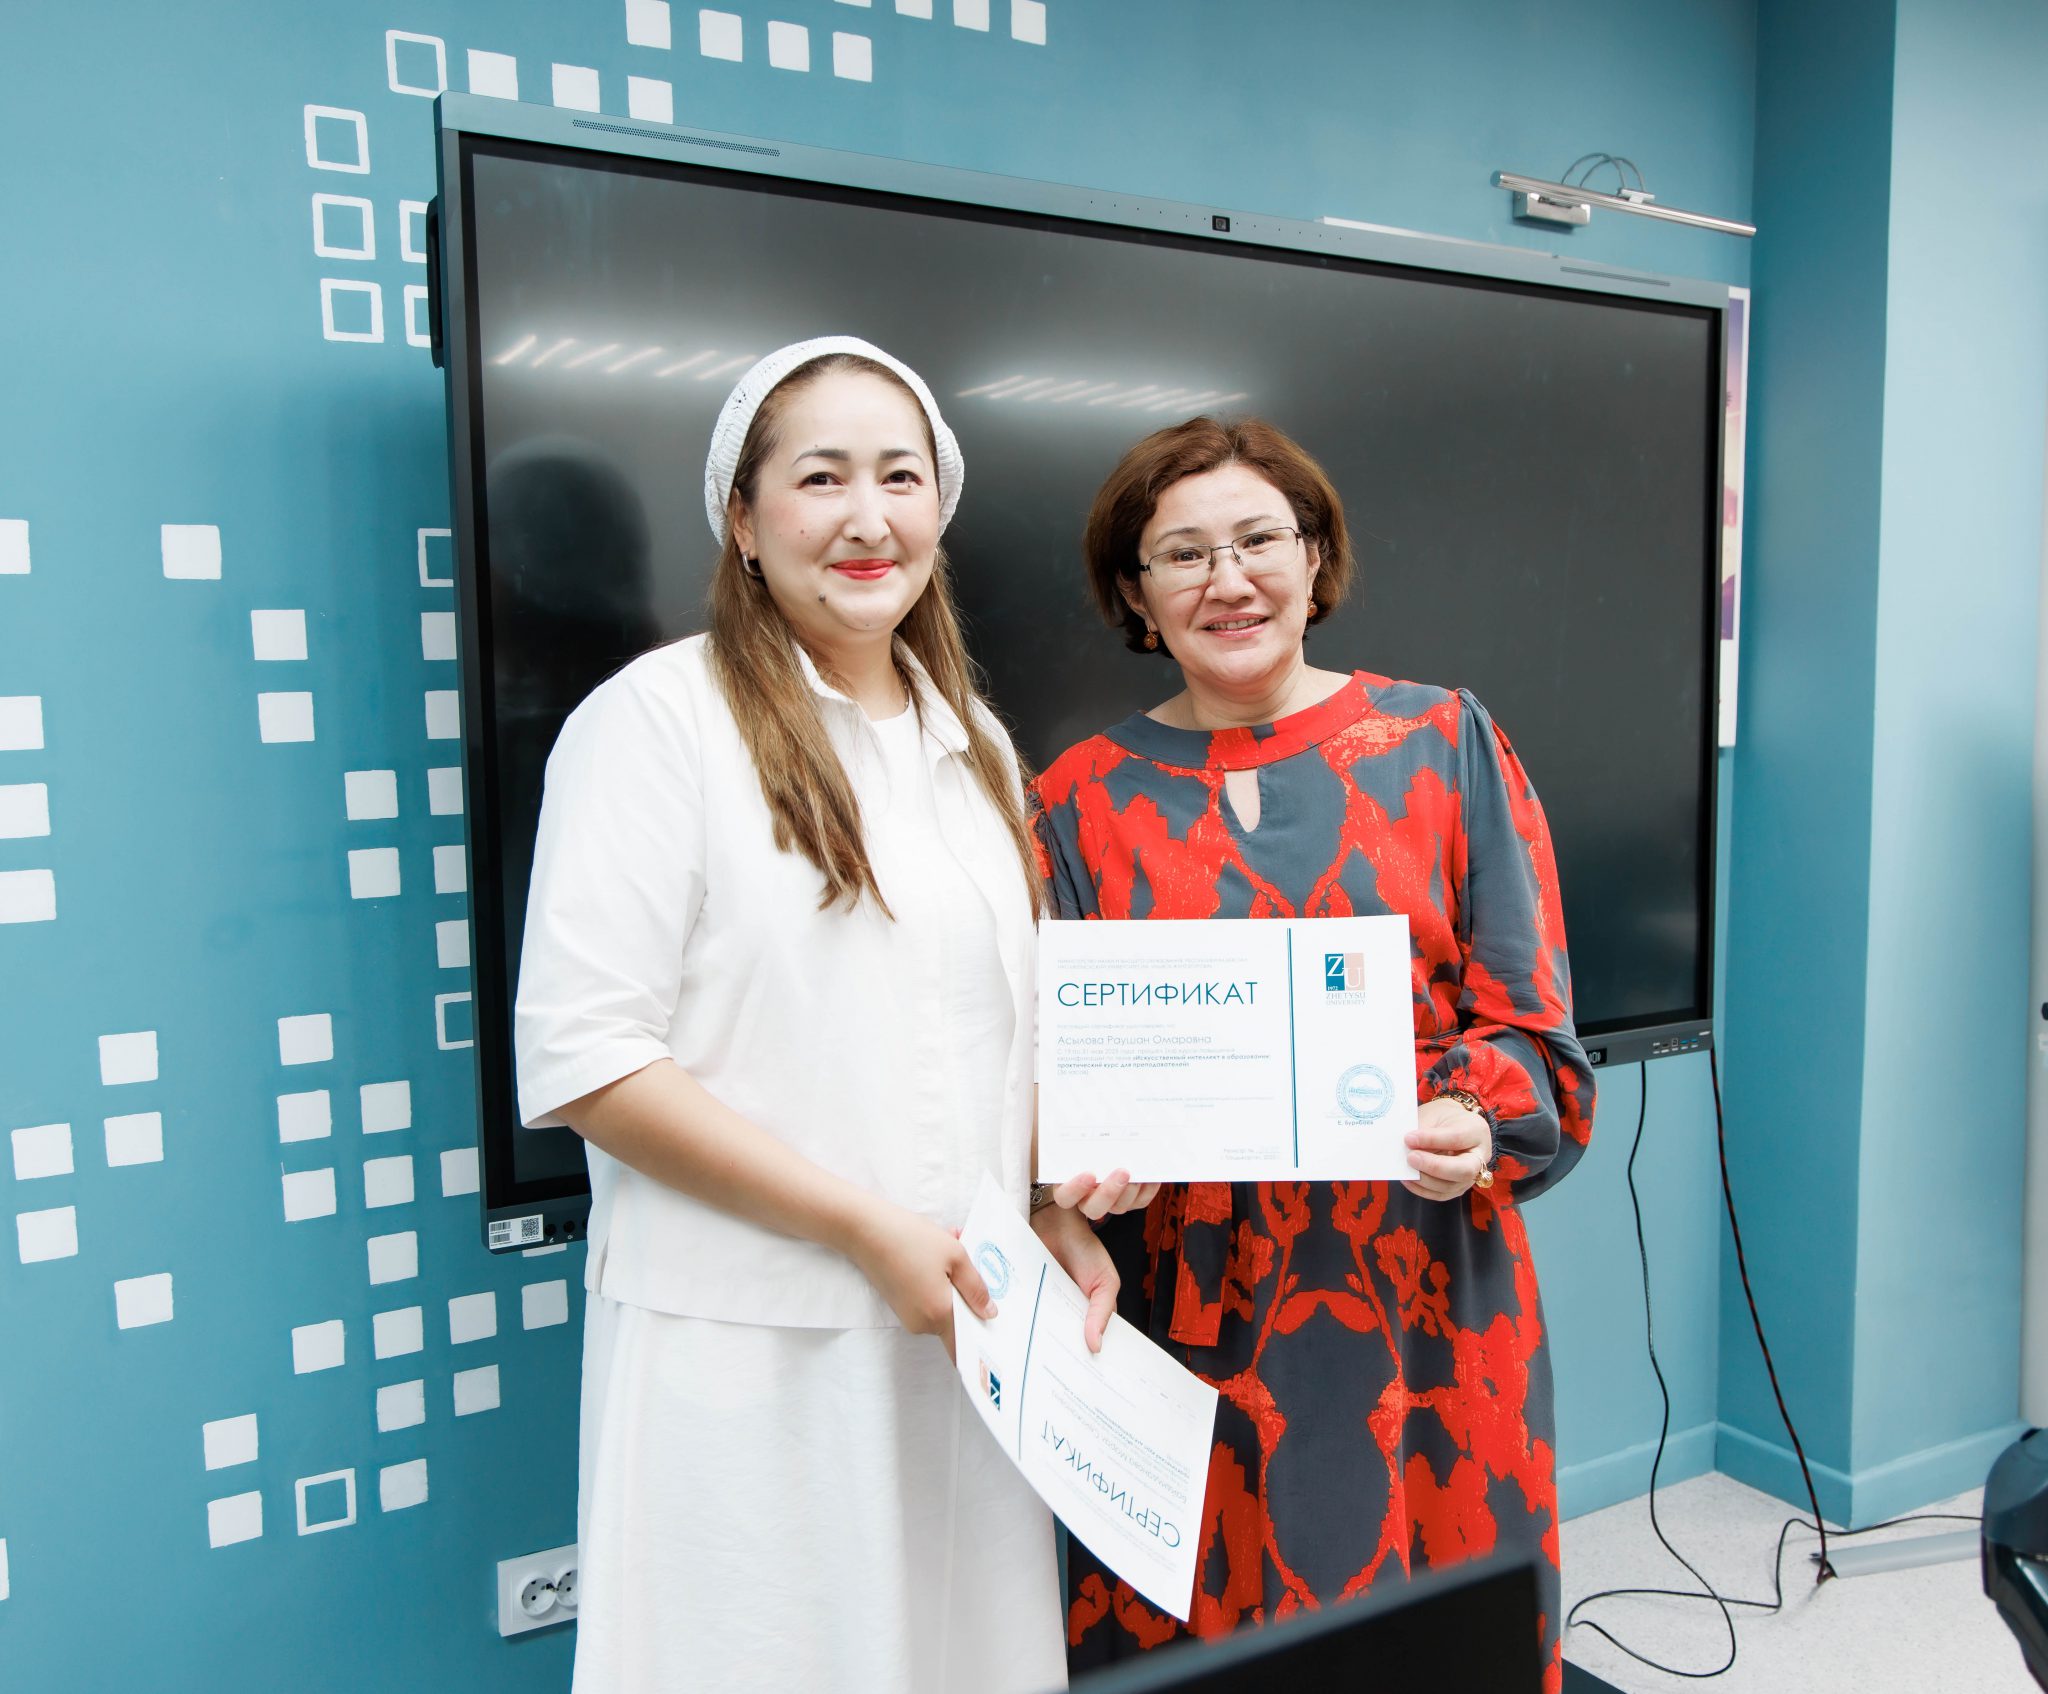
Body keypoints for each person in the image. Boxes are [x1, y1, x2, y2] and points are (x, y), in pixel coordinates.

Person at [515, 336, 1117, 1693]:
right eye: (820, 476)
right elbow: (588, 1057)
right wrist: (861, 1226)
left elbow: (978, 1034)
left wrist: (1045, 1201)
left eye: (900, 476)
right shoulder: (656, 721)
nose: (867, 515)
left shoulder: (972, 741)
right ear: (742, 517)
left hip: (959, 1330)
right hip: (755, 1348)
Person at [1033, 415, 1597, 1693]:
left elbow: (1536, 1037)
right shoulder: (1072, 799)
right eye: (1183, 554)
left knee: (1439, 1643)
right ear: (1134, 591)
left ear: (1314, 554)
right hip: (1186, 1310)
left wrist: (1474, 1118)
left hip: (1424, 1286)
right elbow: (1053, 1075)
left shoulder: (1444, 740)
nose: (1226, 580)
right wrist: (1076, 1164)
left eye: (1256, 540)